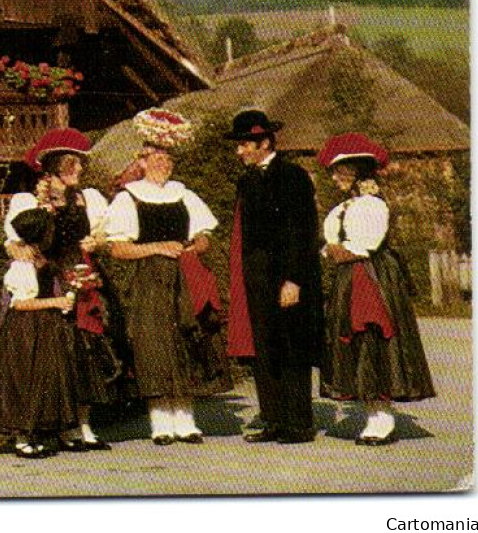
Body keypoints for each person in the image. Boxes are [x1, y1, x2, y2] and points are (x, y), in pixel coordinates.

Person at [105, 108, 230, 444]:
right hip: (148, 279)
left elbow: (204, 236)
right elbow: (118, 248)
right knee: (154, 343)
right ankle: (160, 421)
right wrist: (156, 247)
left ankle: (186, 419)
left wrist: (194, 247)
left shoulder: (184, 194)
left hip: (183, 277)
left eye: (167, 158)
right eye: (156, 157)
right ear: (142, 162)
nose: (163, 163)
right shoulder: (127, 199)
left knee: (187, 340)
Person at [3, 127, 118, 450]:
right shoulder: (30, 200)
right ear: (57, 167)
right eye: (74, 164)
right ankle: (55, 426)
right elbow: (14, 241)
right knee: (53, 353)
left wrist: (98, 242)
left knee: (84, 351)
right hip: (48, 280)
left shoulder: (87, 198)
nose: (80, 170)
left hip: (81, 275)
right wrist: (18, 249)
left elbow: (105, 236)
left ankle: (82, 425)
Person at [317, 132, 435, 444]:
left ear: (355, 172)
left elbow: (361, 247)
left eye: (339, 171)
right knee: (356, 343)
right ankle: (372, 414)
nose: (334, 177)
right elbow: (330, 246)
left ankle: (382, 419)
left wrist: (337, 250)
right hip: (351, 277)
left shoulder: (371, 206)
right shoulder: (345, 207)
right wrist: (335, 250)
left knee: (374, 340)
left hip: (371, 278)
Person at [225, 108, 324, 444]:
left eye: (244, 145)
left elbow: (303, 231)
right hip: (258, 278)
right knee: (264, 348)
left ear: (264, 142)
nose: (239, 152)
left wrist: (294, 279)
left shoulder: (293, 176)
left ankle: (298, 423)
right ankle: (273, 419)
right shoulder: (246, 180)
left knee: (292, 346)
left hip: (287, 276)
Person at [0, 206, 81, 458]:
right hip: (25, 328)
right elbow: (21, 303)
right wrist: (55, 303)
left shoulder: (41, 259)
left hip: (44, 326)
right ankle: (22, 439)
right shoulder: (22, 265)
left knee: (49, 377)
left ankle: (55, 431)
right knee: (25, 379)